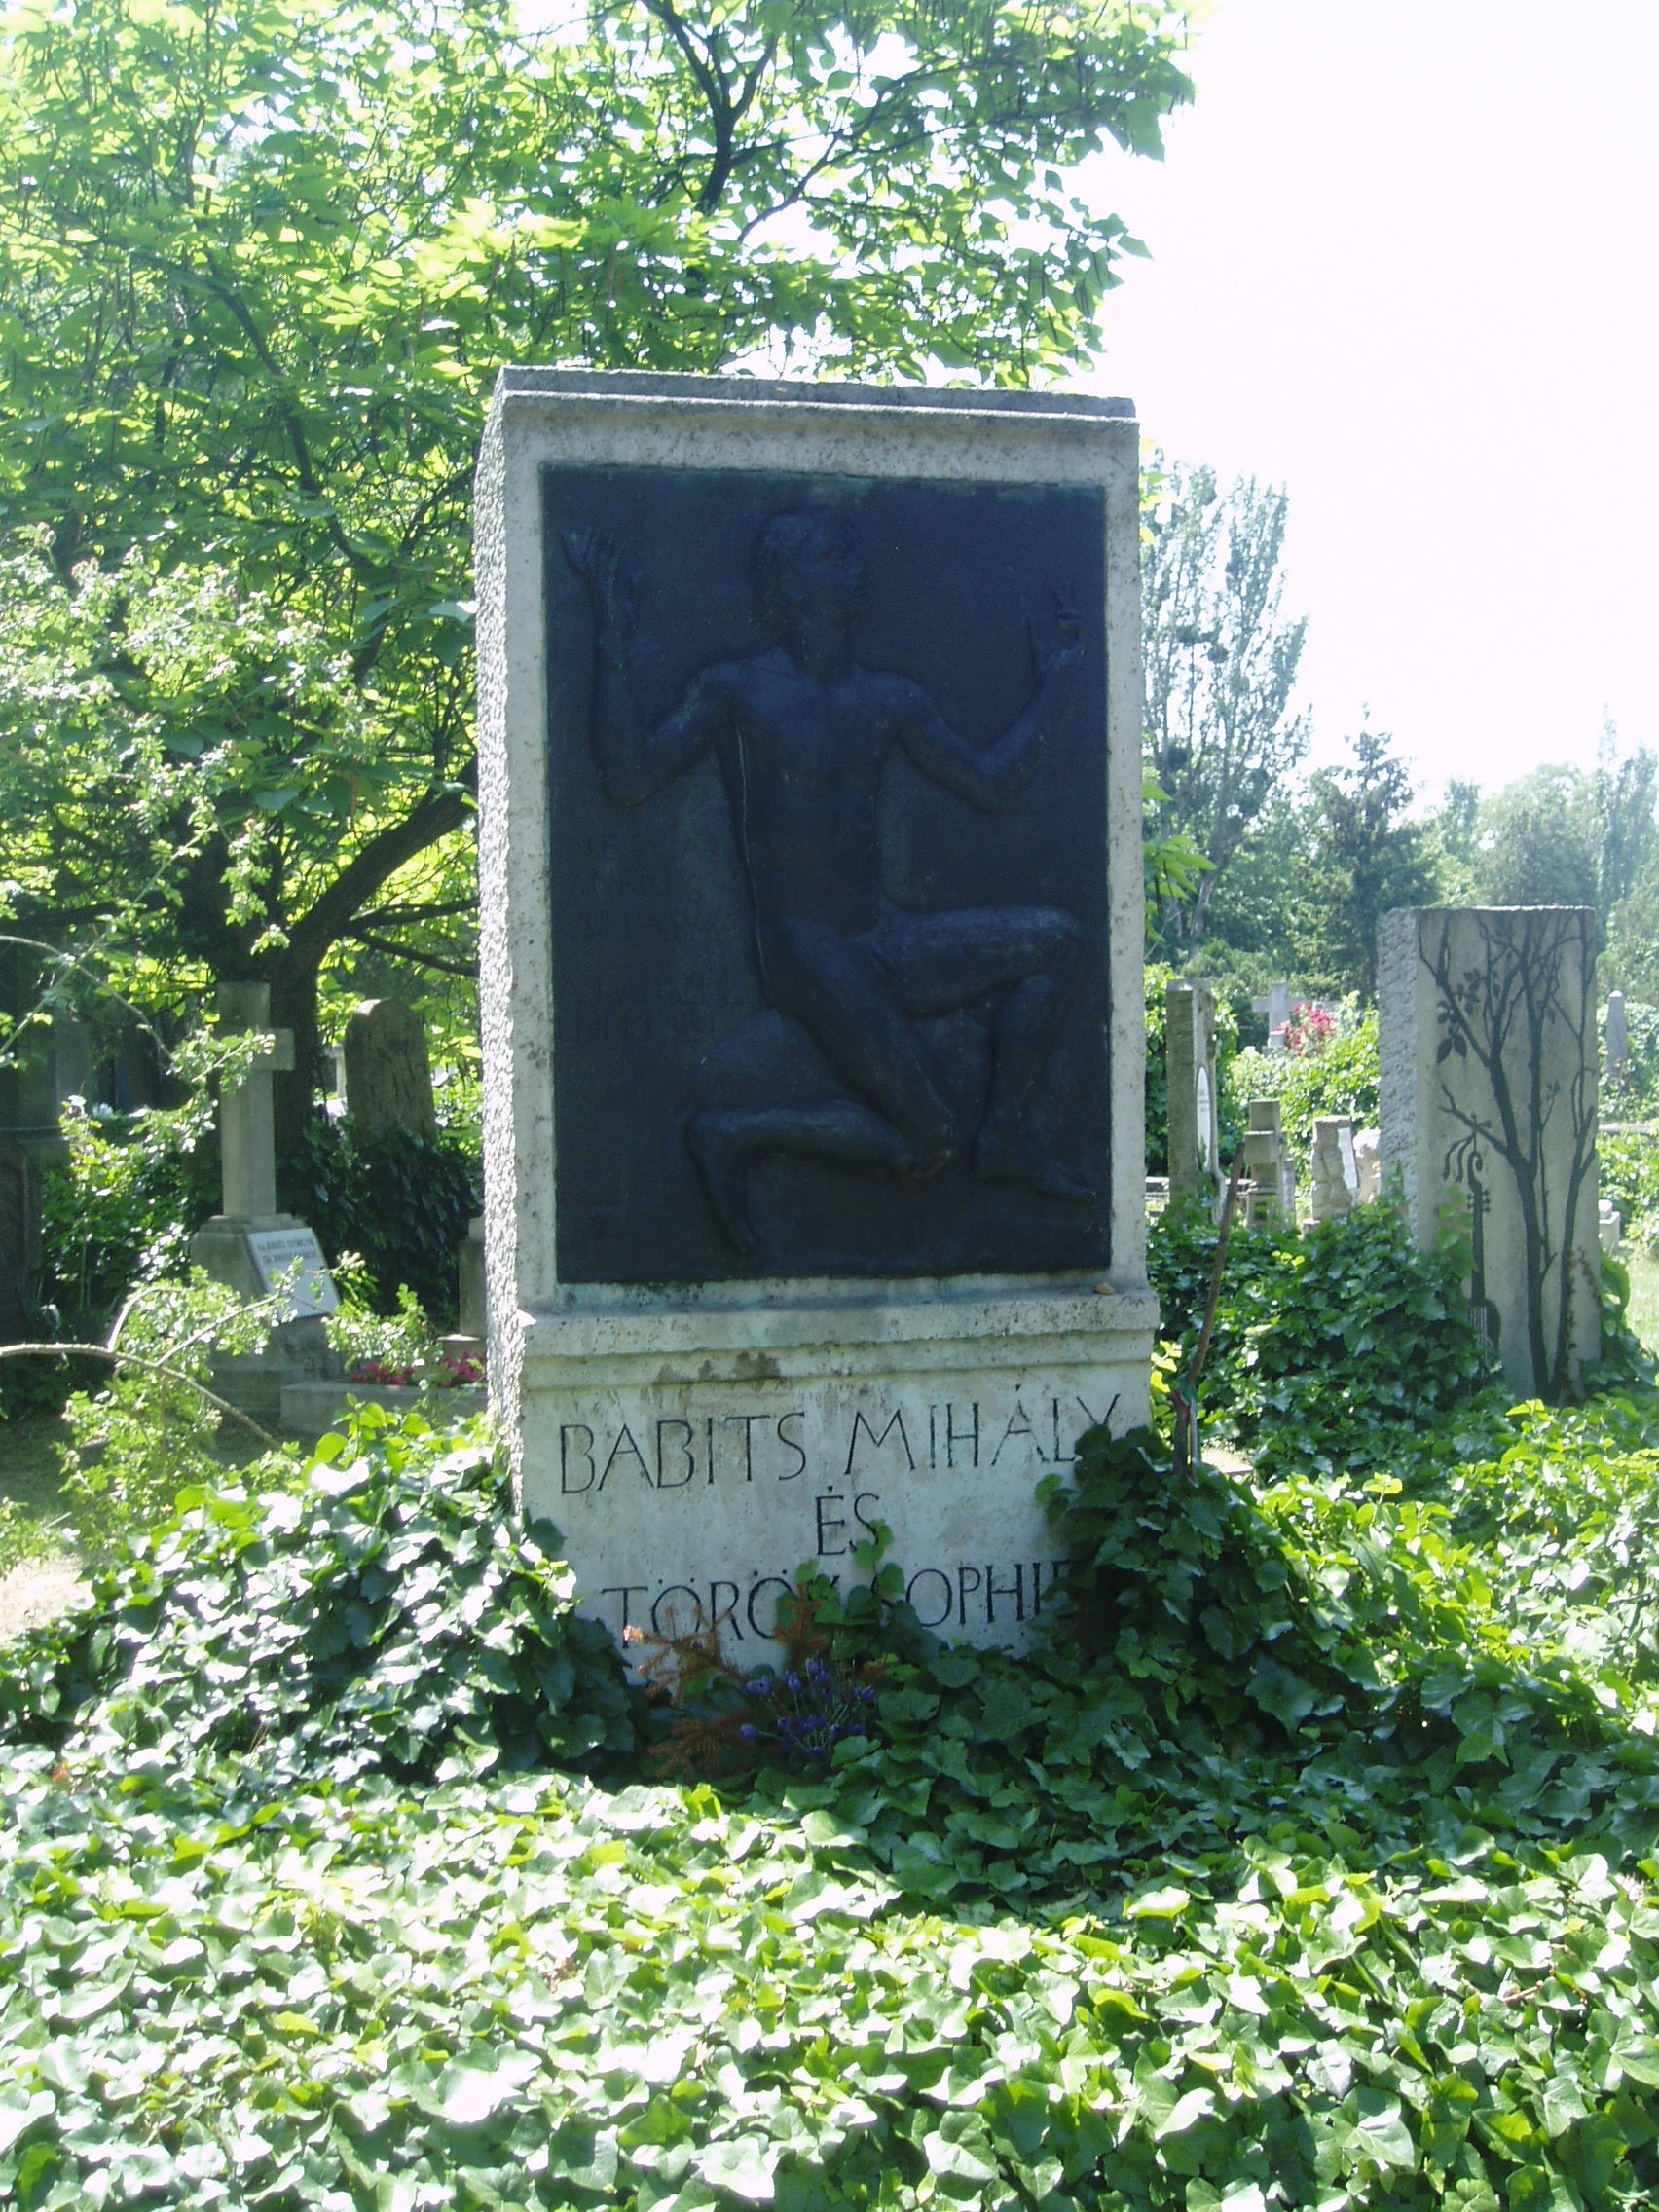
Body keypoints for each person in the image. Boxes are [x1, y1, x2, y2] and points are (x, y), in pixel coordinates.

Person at [564, 507, 1090, 1253]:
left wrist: (1056, 687)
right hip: (804, 950)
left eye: (851, 554)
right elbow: (628, 776)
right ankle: (732, 1135)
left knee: (1060, 942)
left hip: (883, 935)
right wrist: (611, 636)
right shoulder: (736, 689)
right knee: (932, 1139)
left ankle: (1005, 1136)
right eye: (834, 557)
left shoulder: (891, 698)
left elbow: (991, 785)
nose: (856, 568)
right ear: (790, 585)